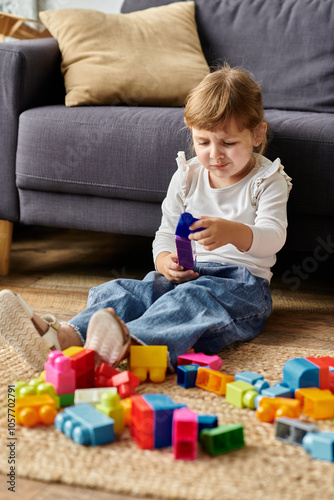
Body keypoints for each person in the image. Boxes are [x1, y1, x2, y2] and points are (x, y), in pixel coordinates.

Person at [0, 64, 292, 372]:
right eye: (203, 142)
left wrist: (234, 232)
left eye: (228, 143)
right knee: (128, 291)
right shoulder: (188, 176)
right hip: (188, 275)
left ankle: (131, 345)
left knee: (188, 304)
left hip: (241, 287)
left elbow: (274, 237)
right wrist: (165, 261)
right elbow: (165, 233)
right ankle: (64, 336)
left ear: (258, 134)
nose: (215, 154)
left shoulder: (267, 179)